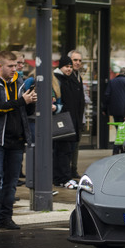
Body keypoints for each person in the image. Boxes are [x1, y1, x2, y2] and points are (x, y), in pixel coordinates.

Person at [0, 50, 36, 230]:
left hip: (16, 139)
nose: (15, 69)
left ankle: (6, 217)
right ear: (0, 65)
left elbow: (26, 112)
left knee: (11, 182)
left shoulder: (20, 82)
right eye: (11, 66)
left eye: (17, 65)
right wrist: (22, 101)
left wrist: (31, 101)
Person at [53, 55, 85, 188]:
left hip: (72, 121)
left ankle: (64, 176)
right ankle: (62, 178)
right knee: (62, 151)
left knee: (67, 151)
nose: (69, 69)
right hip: (62, 121)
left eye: (70, 67)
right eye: (67, 66)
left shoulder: (72, 79)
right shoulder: (57, 79)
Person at [103, 67, 125, 154]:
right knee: (124, 132)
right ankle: (121, 150)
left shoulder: (112, 82)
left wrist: (104, 108)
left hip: (115, 111)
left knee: (119, 131)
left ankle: (116, 151)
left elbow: (106, 96)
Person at [68, 49, 85, 178]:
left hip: (78, 119)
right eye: (75, 60)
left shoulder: (79, 76)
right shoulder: (67, 77)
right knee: (68, 147)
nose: (78, 63)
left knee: (76, 146)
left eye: (79, 60)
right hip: (68, 119)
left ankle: (73, 169)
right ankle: (68, 170)